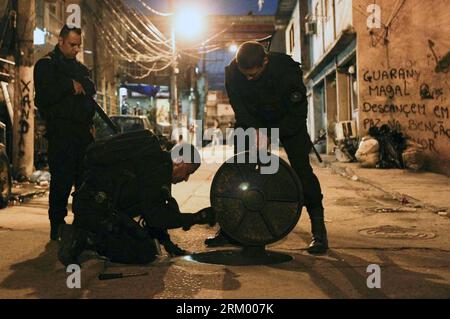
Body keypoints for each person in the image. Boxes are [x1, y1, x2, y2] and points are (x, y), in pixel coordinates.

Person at [205, 41, 328, 254]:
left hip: (288, 121)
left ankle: (319, 230)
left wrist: (274, 133)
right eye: (246, 75)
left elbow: (298, 113)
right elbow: (240, 109)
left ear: (265, 61)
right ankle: (230, 229)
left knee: (302, 172)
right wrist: (257, 131)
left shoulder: (286, 70)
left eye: (254, 75)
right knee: (239, 171)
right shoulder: (233, 73)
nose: (249, 79)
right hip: (251, 121)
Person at [57, 138, 216, 266]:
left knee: (146, 240)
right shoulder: (155, 169)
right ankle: (84, 238)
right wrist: (194, 218)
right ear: (180, 162)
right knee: (144, 252)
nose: (186, 179)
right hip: (94, 210)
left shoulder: (160, 164)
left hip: (97, 206)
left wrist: (167, 243)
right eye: (188, 172)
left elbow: (154, 207)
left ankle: (89, 234)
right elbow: (156, 217)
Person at [34, 25, 96, 241]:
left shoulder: (79, 68)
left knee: (84, 184)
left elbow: (90, 89)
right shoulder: (46, 65)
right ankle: (57, 227)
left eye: (79, 45)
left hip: (82, 135)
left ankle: (82, 226)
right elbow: (42, 98)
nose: (76, 49)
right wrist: (69, 86)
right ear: (60, 41)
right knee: (61, 183)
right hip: (61, 135)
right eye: (72, 44)